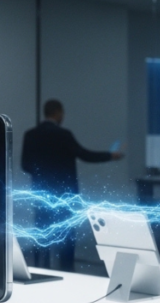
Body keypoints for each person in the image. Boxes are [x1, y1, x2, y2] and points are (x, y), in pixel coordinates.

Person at [21, 99, 123, 271]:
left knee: (41, 236)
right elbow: (84, 155)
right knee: (67, 237)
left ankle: (39, 270)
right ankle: (67, 274)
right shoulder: (64, 134)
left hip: (41, 195)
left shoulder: (30, 134)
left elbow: (25, 164)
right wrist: (110, 156)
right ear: (58, 112)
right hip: (65, 195)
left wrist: (43, 174)